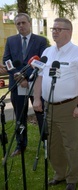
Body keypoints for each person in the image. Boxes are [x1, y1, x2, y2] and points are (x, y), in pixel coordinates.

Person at [33, 18, 78, 190]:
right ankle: (59, 174)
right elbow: (40, 76)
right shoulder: (48, 51)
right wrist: (37, 99)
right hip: (49, 105)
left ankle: (72, 178)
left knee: (70, 144)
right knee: (53, 143)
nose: (54, 31)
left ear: (69, 31)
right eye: (53, 28)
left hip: (68, 106)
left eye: (59, 28)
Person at [0, 13, 47, 157]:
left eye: (23, 23)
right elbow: (7, 60)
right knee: (20, 116)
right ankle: (21, 145)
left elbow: (42, 62)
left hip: (35, 83)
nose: (21, 26)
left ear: (30, 23)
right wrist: (18, 76)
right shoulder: (11, 40)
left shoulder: (40, 40)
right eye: (18, 24)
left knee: (40, 114)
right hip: (16, 83)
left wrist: (26, 76)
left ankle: (45, 143)